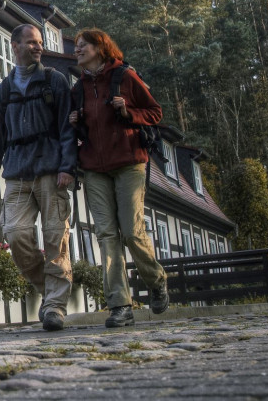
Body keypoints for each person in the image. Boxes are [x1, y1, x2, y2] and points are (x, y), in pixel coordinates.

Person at [0, 24, 77, 331]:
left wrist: (67, 167)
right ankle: (51, 293)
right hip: (17, 173)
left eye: (40, 43)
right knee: (16, 233)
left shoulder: (54, 81)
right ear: (15, 46)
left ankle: (55, 308)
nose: (38, 48)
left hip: (50, 171)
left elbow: (67, 129)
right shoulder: (3, 91)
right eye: (32, 43)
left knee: (54, 237)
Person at [69, 28, 169, 328]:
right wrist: (74, 121)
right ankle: (120, 305)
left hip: (128, 163)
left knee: (131, 232)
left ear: (100, 47)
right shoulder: (78, 89)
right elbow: (81, 129)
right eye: (75, 46)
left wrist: (129, 113)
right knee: (106, 236)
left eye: (82, 45)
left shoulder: (124, 77)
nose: (77, 50)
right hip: (94, 169)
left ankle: (157, 280)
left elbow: (155, 112)